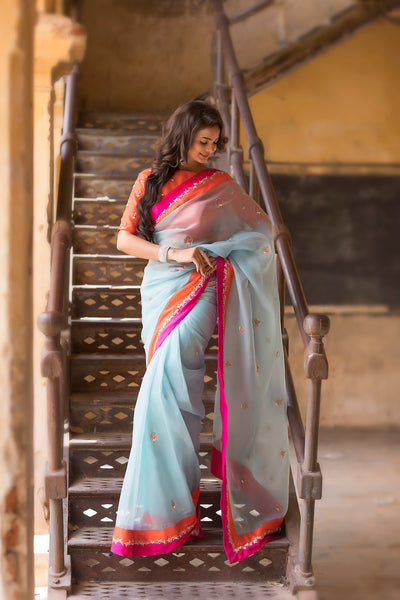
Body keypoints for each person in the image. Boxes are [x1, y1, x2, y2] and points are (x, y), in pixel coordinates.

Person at [110, 100, 289, 564]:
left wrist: (214, 250)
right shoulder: (150, 180)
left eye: (215, 143)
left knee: (166, 382)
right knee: (172, 387)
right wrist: (176, 255)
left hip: (206, 286)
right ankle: (176, 509)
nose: (210, 151)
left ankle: (163, 509)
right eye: (202, 141)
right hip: (161, 286)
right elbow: (125, 238)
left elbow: (258, 234)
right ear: (183, 135)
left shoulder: (223, 186)